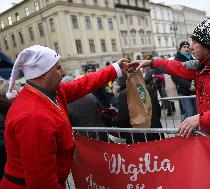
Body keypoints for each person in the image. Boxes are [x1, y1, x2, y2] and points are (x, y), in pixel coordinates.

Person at [0, 45, 127, 189]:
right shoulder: (33, 117)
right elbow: (42, 183)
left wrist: (115, 69)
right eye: (58, 68)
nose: (63, 72)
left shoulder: (50, 93)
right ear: (42, 73)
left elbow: (82, 84)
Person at [127, 17, 210, 141]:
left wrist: (200, 119)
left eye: (195, 42)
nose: (191, 47)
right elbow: (178, 66)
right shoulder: (203, 64)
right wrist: (151, 62)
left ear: (208, 44)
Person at [171, 41, 196, 121]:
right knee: (189, 112)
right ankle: (182, 131)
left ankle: (195, 132)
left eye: (188, 47)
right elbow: (175, 77)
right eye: (184, 47)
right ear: (180, 49)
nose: (186, 49)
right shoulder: (177, 60)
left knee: (196, 112)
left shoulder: (193, 58)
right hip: (184, 90)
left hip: (194, 90)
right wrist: (188, 85)